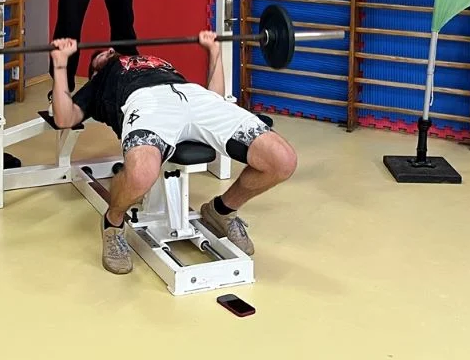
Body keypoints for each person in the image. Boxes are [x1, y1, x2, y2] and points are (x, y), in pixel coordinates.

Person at [48, 30, 298, 275]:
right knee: (141, 174)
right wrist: (60, 65)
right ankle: (113, 223)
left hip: (193, 95)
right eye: (101, 55)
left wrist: (214, 52)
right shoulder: (100, 82)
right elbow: (64, 118)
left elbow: (215, 97)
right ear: (94, 71)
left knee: (282, 160)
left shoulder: (160, 65)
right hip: (144, 103)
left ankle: (222, 210)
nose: (111, 51)